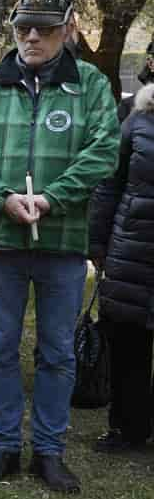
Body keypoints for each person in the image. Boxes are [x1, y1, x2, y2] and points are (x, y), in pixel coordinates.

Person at [0, 0, 120, 492]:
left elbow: (103, 152)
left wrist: (51, 197)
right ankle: (2, 444)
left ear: (67, 29)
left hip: (62, 242)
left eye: (43, 30)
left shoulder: (90, 85)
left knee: (56, 351)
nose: (31, 38)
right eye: (23, 28)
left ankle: (49, 450)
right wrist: (1, 196)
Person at [89, 82, 154, 453]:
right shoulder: (136, 120)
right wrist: (97, 242)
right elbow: (109, 185)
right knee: (129, 344)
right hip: (133, 250)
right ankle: (128, 427)